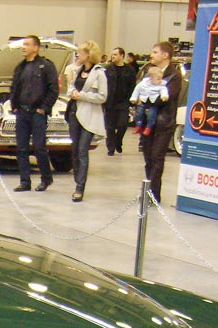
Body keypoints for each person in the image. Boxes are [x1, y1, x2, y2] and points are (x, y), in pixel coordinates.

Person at [10, 35, 59, 192]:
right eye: (23, 44)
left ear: (36, 47)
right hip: (22, 112)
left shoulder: (46, 66)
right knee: (21, 148)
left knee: (39, 147)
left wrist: (43, 108)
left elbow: (53, 90)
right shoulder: (20, 67)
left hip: (38, 113)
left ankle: (46, 178)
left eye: (27, 44)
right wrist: (14, 106)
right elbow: (14, 87)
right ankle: (25, 181)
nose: (23, 47)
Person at [138, 42, 183, 204]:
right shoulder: (148, 73)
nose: (152, 55)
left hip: (164, 123)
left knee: (157, 158)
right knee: (148, 158)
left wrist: (147, 99)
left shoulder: (174, 76)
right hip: (147, 123)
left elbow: (166, 98)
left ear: (165, 55)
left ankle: (153, 194)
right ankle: (148, 190)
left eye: (155, 52)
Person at [65, 41, 107, 202]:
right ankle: (77, 179)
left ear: (89, 55)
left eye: (81, 52)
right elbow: (71, 87)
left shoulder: (99, 73)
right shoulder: (78, 71)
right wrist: (72, 92)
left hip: (89, 116)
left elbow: (102, 96)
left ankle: (80, 188)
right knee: (75, 150)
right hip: (74, 114)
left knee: (83, 150)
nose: (77, 55)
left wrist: (82, 96)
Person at [103, 47, 135, 155]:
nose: (113, 56)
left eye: (115, 54)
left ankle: (118, 141)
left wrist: (130, 100)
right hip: (110, 102)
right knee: (110, 127)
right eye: (112, 54)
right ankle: (110, 148)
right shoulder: (108, 69)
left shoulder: (130, 70)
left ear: (122, 56)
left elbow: (132, 85)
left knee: (123, 124)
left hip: (123, 102)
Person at [130, 67, 169, 135]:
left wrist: (164, 96)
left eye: (161, 78)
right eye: (158, 79)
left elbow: (164, 91)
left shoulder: (161, 85)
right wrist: (134, 98)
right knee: (139, 113)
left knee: (151, 115)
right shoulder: (143, 83)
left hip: (153, 102)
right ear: (151, 78)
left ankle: (149, 127)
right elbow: (137, 90)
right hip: (143, 100)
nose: (160, 80)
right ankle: (138, 125)